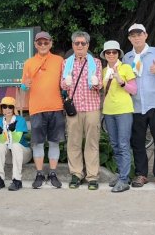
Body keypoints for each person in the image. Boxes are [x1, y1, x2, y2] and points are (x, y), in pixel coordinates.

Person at [122, 23, 155, 190]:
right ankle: (141, 174)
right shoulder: (127, 58)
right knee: (137, 141)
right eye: (133, 35)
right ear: (129, 38)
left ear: (146, 35)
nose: (136, 37)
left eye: (140, 34)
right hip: (136, 104)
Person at [21, 31, 65, 189]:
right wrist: (25, 85)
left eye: (46, 42)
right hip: (36, 108)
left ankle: (53, 173)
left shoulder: (60, 61)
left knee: (54, 143)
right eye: (39, 43)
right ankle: (39, 174)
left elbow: (65, 82)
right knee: (37, 144)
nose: (43, 45)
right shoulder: (29, 62)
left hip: (56, 107)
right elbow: (23, 86)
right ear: (35, 45)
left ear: (51, 43)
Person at [60, 31, 102, 190]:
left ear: (87, 46)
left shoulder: (96, 62)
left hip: (92, 108)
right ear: (72, 45)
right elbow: (62, 85)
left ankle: (92, 176)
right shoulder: (66, 63)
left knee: (92, 143)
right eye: (76, 43)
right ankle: (76, 174)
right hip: (74, 109)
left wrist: (96, 82)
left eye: (82, 43)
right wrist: (66, 82)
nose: (79, 46)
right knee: (73, 142)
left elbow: (100, 86)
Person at [100, 40, 137, 193]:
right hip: (108, 111)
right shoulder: (103, 71)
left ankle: (123, 179)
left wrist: (122, 82)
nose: (111, 54)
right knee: (114, 144)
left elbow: (134, 90)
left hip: (123, 110)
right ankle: (122, 175)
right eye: (108, 52)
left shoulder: (126, 67)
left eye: (114, 52)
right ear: (104, 55)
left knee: (123, 144)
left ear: (118, 54)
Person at [0, 97, 32, 191]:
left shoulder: (20, 120)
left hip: (24, 154)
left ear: (14, 109)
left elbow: (16, 140)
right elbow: (1, 141)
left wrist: (12, 131)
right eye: (4, 106)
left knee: (15, 145)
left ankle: (17, 180)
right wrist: (0, 133)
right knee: (0, 146)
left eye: (10, 107)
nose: (7, 109)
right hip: (9, 156)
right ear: (1, 108)